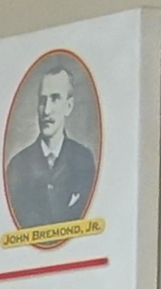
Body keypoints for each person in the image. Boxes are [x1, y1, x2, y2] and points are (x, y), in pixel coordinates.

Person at [6, 57, 98, 231]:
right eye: (42, 100)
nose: (47, 110)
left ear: (68, 106)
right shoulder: (17, 166)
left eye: (55, 99)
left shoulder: (83, 160)